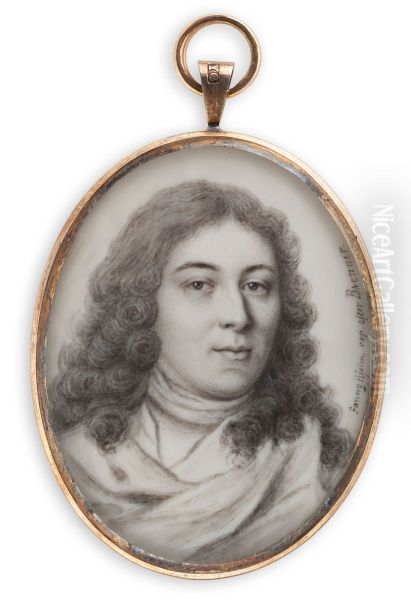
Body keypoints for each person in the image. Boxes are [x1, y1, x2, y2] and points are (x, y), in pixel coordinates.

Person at [51, 180, 352, 564]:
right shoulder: (79, 458)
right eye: (199, 284)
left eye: (256, 285)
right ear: (141, 304)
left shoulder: (315, 465)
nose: (237, 316)